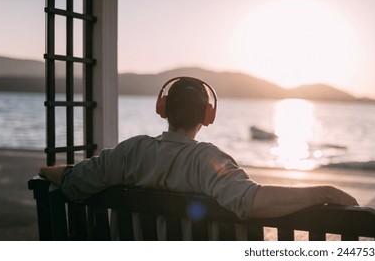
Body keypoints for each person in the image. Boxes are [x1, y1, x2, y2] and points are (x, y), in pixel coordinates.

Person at [39, 76, 358, 220]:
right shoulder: (208, 161)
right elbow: (252, 201)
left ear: (162, 109)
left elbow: (73, 180)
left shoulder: (129, 152)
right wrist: (321, 193)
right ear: (209, 115)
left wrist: (45, 170)